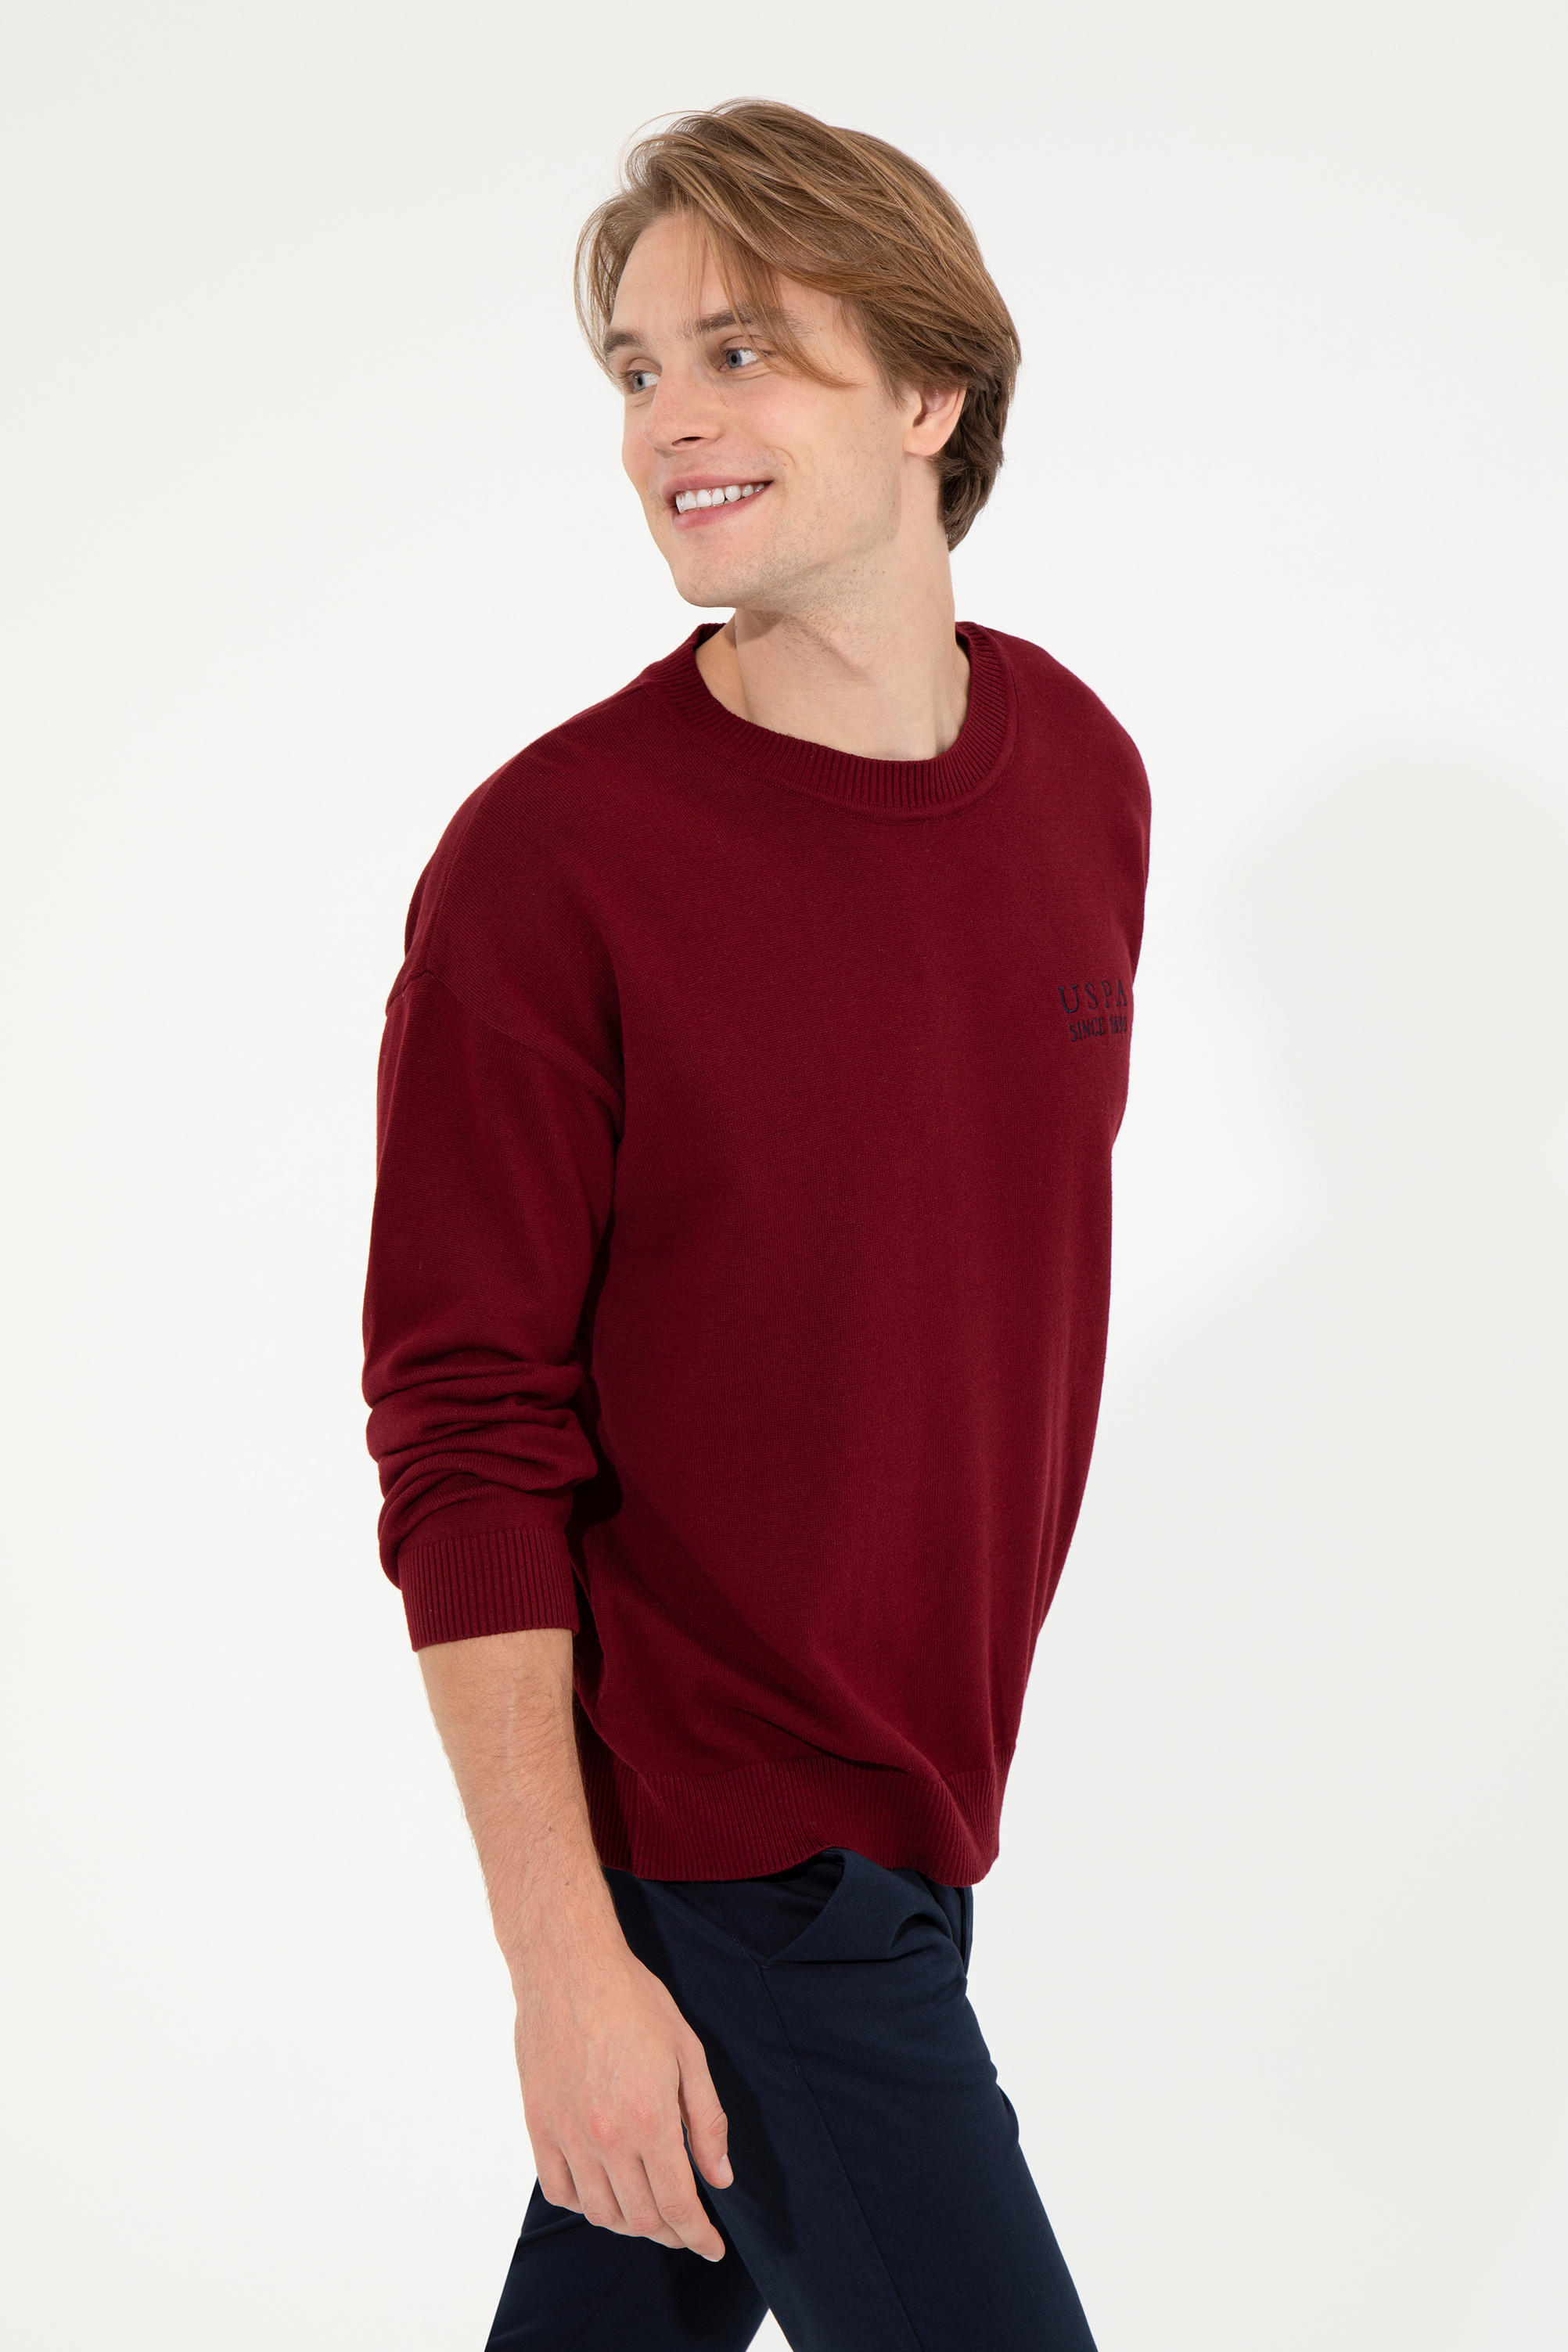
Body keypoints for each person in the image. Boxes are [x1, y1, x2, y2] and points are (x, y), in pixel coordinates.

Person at [361, 98, 1149, 2352]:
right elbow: (464, 1430)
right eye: (636, 369)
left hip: (917, 1812)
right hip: (740, 1848)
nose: (667, 422)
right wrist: (568, 1965)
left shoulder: (1081, 776)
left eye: (740, 352)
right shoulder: (554, 863)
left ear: (929, 393)